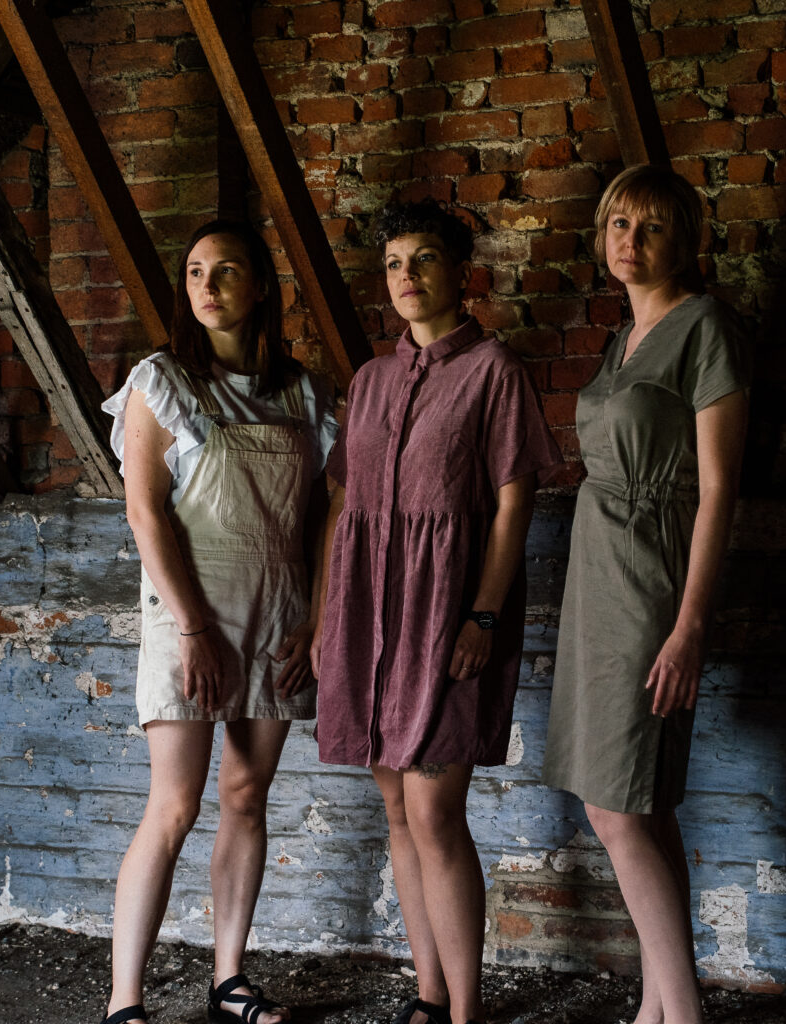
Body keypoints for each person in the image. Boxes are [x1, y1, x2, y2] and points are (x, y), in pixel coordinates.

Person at [313, 199, 560, 1024]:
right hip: (367, 620)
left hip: (449, 618)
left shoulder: (494, 370)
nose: (406, 276)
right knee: (396, 809)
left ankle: (466, 1012)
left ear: (460, 272)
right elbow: (343, 504)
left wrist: (484, 616)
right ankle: (429, 995)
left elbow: (514, 504)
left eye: (422, 259)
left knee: (433, 811)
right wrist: (325, 620)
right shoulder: (370, 380)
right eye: (393, 263)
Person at [98, 220, 338, 1024]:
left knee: (245, 796)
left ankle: (229, 980)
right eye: (196, 271)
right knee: (174, 806)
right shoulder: (162, 380)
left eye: (226, 270)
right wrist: (194, 629)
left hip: (277, 615)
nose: (207, 285)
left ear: (260, 286)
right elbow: (144, 513)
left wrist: (316, 617)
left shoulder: (304, 394)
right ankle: (125, 1002)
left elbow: (325, 518)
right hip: (189, 617)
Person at [541, 165, 751, 1024]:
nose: (631, 240)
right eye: (619, 223)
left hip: (651, 575)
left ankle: (684, 1015)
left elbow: (719, 489)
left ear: (684, 242)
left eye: (653, 226)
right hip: (596, 571)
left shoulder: (706, 327)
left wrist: (690, 624)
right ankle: (658, 1006)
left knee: (615, 805)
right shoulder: (622, 338)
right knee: (646, 805)